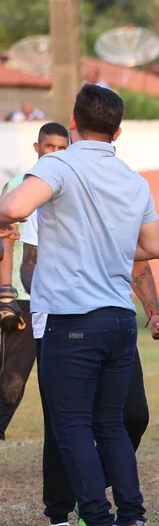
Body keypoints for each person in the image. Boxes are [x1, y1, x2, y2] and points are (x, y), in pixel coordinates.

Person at [0, 84, 159, 526]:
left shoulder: (60, 164)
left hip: (72, 320)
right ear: (117, 130)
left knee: (70, 426)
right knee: (110, 423)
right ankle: (133, 525)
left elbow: (14, 207)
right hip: (118, 319)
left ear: (73, 123)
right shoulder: (132, 179)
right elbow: (153, 246)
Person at [0, 122, 69, 444]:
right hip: (21, 296)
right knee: (12, 382)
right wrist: (5, 293)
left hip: (61, 300)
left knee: (60, 384)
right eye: (49, 146)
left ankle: (67, 450)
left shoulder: (70, 186)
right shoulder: (17, 185)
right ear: (37, 147)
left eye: (61, 147)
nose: (54, 153)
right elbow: (5, 238)